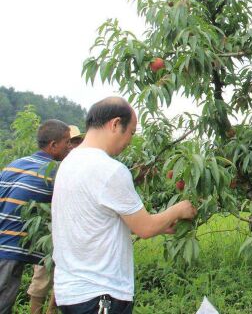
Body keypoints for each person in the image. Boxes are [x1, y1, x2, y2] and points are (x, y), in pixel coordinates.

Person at [51, 97, 197, 313]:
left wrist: (161, 224)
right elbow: (145, 228)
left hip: (71, 292)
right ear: (115, 124)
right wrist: (179, 209)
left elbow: (93, 218)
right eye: (131, 132)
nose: (130, 140)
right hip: (101, 294)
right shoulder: (109, 169)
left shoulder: (69, 163)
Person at [0, 119, 71, 314]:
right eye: (67, 142)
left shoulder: (15, 165)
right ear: (53, 145)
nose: (69, 146)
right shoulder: (54, 172)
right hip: (10, 247)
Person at [28, 125, 85, 314]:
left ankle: (51, 310)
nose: (73, 146)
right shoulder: (52, 168)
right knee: (41, 276)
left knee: (62, 277)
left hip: (70, 233)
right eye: (70, 142)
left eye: (77, 142)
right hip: (48, 231)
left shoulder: (79, 167)